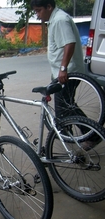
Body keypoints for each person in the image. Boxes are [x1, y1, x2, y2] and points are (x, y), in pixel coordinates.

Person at [31, 0, 99, 149]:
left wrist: (63, 68)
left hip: (68, 72)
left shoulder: (60, 20)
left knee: (66, 107)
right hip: (61, 72)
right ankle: (65, 133)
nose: (37, 15)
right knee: (63, 107)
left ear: (49, 7)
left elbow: (70, 43)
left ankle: (92, 135)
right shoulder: (54, 19)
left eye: (38, 10)